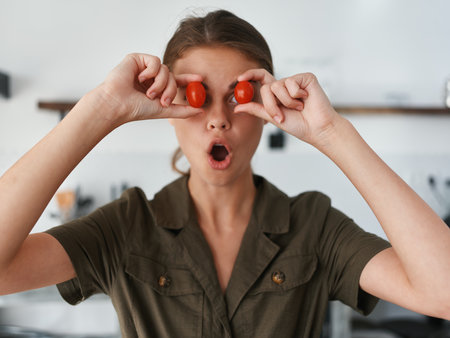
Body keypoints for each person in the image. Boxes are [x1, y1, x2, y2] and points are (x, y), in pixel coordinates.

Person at [0, 9, 449, 338]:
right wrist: (101, 109)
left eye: (238, 95)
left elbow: (442, 293)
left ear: (268, 107)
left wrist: (332, 133)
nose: (217, 119)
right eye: (196, 97)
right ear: (166, 108)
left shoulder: (314, 226)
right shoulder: (125, 226)